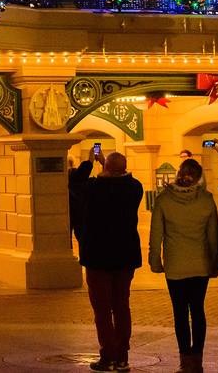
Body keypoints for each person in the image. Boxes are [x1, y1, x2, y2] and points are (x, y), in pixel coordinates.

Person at [149, 158, 218, 373]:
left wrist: (155, 261)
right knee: (198, 310)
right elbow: (213, 236)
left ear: (179, 173)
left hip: (175, 265)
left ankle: (184, 359)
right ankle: (197, 358)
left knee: (180, 312)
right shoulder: (207, 200)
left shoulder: (163, 200)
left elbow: (156, 234)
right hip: (200, 265)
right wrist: (215, 263)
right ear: (199, 177)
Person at [79, 152, 143, 372]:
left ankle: (108, 356)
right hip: (125, 256)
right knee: (122, 306)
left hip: (98, 257)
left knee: (103, 310)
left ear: (105, 168)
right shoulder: (134, 188)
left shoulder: (94, 188)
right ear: (124, 169)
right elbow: (127, 180)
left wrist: (91, 163)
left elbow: (75, 182)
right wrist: (110, 168)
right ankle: (122, 356)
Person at [68, 149, 98, 245]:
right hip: (80, 211)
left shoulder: (66, 176)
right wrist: (90, 160)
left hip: (70, 211)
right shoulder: (74, 175)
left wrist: (90, 160)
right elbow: (82, 174)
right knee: (82, 237)